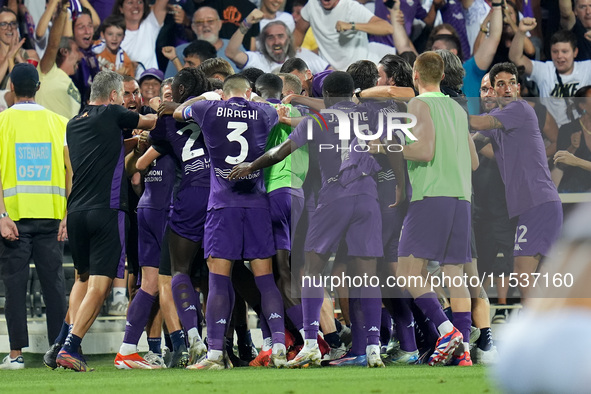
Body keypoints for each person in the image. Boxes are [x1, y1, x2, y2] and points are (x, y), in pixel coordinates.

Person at [229, 71, 387, 368]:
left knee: (311, 269)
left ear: (325, 97)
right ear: (351, 93)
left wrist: (252, 165)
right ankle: (375, 347)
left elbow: (280, 151)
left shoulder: (319, 120)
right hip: (368, 197)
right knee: (367, 274)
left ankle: (312, 343)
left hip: (334, 196)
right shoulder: (369, 116)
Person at [173, 74, 288, 369]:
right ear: (247, 92)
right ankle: (278, 346)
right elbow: (275, 108)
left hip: (223, 205)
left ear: (224, 94)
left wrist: (207, 98)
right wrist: (254, 99)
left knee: (219, 277)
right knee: (264, 278)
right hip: (257, 205)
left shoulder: (209, 109)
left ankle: (214, 354)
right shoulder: (263, 111)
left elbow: (177, 111)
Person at [55, 70, 156, 372]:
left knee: (81, 279)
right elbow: (151, 122)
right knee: (100, 286)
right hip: (106, 210)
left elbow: (105, 150)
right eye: (124, 97)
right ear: (113, 96)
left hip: (76, 213)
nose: (127, 102)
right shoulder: (113, 112)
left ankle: (63, 342)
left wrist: (131, 141)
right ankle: (70, 347)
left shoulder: (74, 123)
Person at [397, 51, 477, 367]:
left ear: (415, 75)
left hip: (432, 196)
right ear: (443, 76)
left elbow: (424, 150)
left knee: (406, 272)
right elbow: (473, 161)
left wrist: (388, 146)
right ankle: (464, 353)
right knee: (454, 273)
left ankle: (447, 333)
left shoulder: (418, 104)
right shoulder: (458, 110)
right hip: (462, 196)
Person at [470, 62, 563, 300]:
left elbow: (478, 124)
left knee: (524, 273)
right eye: (501, 84)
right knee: (530, 274)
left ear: (519, 88)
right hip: (530, 206)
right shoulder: (498, 118)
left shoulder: (519, 109)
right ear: (494, 89)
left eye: (512, 83)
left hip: (538, 203)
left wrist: (444, 110)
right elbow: (473, 146)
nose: (508, 88)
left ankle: (540, 333)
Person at [0, 63, 70, 370]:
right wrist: (67, 214)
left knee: (14, 286)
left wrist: (1, 215)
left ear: (11, 88)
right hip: (53, 217)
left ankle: (15, 355)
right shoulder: (60, 123)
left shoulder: (2, 122)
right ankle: (58, 351)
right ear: (38, 87)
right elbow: (71, 173)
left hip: (13, 218)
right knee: (54, 285)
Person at [509, 20, 591, 126]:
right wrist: (521, 32)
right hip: (552, 135)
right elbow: (516, 58)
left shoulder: (586, 68)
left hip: (581, 133)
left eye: (565, 52)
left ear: (575, 52)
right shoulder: (544, 69)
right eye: (555, 52)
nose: (559, 56)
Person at [294, 0, 394, 70]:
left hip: (357, 70)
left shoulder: (351, 7)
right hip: (329, 70)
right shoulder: (312, 5)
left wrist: (352, 26)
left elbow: (387, 28)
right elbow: (299, 30)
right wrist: (293, 49)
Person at [226, 10, 330, 75]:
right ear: (263, 41)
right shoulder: (257, 59)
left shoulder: (302, 55)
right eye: (270, 37)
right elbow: (231, 53)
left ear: (289, 39)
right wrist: (246, 23)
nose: (276, 42)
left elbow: (331, 71)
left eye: (280, 36)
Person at [163, 7, 243, 78]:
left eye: (210, 21)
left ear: (219, 24)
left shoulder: (235, 46)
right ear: (193, 27)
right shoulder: (178, 52)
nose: (205, 25)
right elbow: (169, 85)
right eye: (199, 22)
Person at [36, 0, 81, 119]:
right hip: (45, 135)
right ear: (64, 52)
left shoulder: (73, 84)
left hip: (64, 136)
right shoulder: (48, 71)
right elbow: (53, 45)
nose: (80, 56)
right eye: (77, 50)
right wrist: (63, 11)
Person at [111, 0, 167, 78]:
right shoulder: (112, 34)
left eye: (140, 2)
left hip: (150, 86)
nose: (136, 6)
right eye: (130, 3)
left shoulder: (150, 24)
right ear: (121, 8)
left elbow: (162, 3)